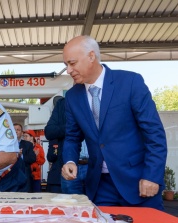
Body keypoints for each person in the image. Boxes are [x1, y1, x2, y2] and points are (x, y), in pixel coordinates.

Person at [61, 35, 167, 210]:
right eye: (66, 65)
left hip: (139, 182)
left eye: (72, 63)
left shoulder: (130, 82)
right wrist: (70, 161)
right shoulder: (72, 97)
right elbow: (72, 137)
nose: (69, 70)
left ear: (91, 56)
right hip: (100, 187)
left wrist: (152, 176)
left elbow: (154, 133)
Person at [44, 96, 66, 193]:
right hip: (60, 173)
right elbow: (51, 157)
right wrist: (73, 127)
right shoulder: (62, 104)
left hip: (92, 169)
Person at [13, 123, 36, 192]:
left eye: (18, 130)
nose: (16, 131)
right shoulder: (6, 144)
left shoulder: (28, 144)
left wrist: (21, 156)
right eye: (14, 130)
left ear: (22, 133)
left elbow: (32, 158)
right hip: (11, 176)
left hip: (25, 175)